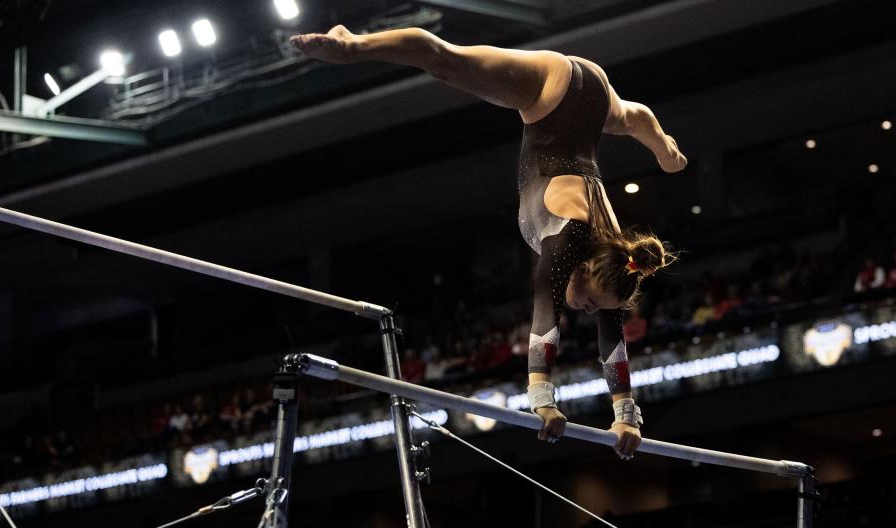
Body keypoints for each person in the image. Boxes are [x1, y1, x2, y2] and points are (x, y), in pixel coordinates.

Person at [291, 25, 685, 459]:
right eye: (590, 303)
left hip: (597, 102)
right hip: (556, 90)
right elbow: (544, 316)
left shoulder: (611, 265)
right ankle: (352, 45)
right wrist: (543, 400)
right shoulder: (567, 239)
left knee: (630, 119)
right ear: (582, 268)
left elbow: (612, 335)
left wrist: (626, 415)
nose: (587, 311)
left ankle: (662, 143)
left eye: (593, 308)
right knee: (446, 63)